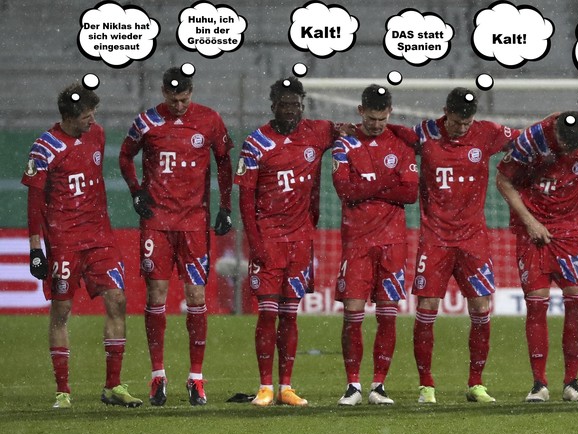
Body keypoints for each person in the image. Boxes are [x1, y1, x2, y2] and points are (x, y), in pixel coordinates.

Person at [387, 88, 518, 403]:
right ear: (446, 112)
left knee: (481, 308)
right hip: (435, 238)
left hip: (473, 239)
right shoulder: (426, 133)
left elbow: (523, 141)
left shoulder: (487, 132)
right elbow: (392, 135)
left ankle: (476, 383)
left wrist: (522, 157)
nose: (462, 128)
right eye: (457, 121)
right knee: (427, 308)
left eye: (466, 122)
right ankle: (426, 386)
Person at [119, 66, 234, 406]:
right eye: (173, 100)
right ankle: (158, 375)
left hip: (194, 223)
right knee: (156, 295)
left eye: (183, 99)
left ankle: (196, 378)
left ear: (191, 93)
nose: (179, 105)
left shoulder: (210, 120)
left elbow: (224, 162)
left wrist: (225, 207)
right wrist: (136, 191)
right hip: (156, 222)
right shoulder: (147, 121)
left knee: (196, 297)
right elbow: (125, 156)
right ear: (163, 94)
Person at [23, 83, 142, 408]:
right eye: (88, 115)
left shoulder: (97, 135)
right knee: (61, 311)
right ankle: (63, 391)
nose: (93, 120)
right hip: (64, 240)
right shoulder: (45, 147)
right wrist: (36, 248)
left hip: (100, 237)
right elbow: (35, 201)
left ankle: (113, 386)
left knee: (117, 300)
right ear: (69, 117)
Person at [235, 77, 339, 407]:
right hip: (268, 239)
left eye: (296, 105)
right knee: (268, 314)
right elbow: (245, 199)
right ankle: (265, 386)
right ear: (273, 106)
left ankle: (286, 387)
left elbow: (354, 131)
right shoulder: (255, 143)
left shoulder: (317, 132)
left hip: (300, 241)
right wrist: (255, 243)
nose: (291, 111)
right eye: (285, 105)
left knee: (290, 315)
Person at [496, 111, 578, 403]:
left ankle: (572, 382)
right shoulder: (531, 139)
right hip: (534, 226)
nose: (569, 151)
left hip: (573, 227)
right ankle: (539, 384)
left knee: (577, 301)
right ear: (555, 133)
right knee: (536, 303)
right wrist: (529, 221)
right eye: (564, 145)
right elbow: (503, 180)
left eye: (575, 147)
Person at [332, 84, 418, 406]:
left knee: (387, 316)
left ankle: (379, 385)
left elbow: (410, 194)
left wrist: (366, 184)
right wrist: (388, 182)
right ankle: (353, 385)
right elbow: (345, 191)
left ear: (390, 113)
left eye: (382, 119)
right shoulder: (345, 144)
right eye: (371, 119)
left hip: (393, 243)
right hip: (356, 242)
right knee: (352, 314)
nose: (377, 125)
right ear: (360, 111)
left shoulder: (401, 145)